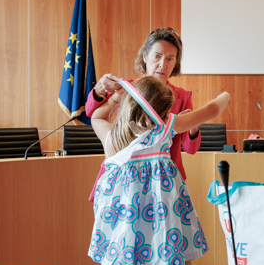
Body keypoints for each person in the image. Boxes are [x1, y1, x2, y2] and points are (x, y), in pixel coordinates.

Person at [88, 76, 230, 265]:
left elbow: (96, 117)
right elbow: (212, 109)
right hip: (162, 209)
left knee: (127, 253)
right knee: (177, 253)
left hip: (126, 211)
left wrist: (114, 99)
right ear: (162, 113)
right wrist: (225, 95)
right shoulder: (166, 127)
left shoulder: (111, 137)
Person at [86, 28, 201, 180]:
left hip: (164, 178)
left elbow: (191, 149)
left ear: (175, 64)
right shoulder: (127, 87)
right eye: (157, 56)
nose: (163, 64)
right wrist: (99, 90)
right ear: (145, 57)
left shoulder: (183, 96)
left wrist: (193, 124)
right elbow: (90, 113)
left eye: (170, 59)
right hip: (125, 173)